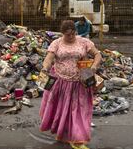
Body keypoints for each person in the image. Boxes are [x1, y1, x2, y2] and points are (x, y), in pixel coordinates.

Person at [39, 20, 102, 149]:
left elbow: (97, 54)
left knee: (78, 110)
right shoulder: (56, 43)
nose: (71, 36)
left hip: (81, 81)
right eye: (68, 35)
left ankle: (77, 137)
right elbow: (48, 59)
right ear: (63, 34)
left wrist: (94, 67)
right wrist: (45, 68)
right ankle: (64, 133)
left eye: (73, 33)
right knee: (61, 109)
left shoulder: (84, 42)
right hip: (60, 82)